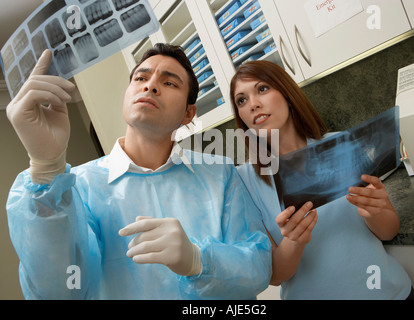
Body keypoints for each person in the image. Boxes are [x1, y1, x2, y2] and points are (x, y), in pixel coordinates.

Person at [6, 43, 272, 299]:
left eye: (169, 83)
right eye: (140, 78)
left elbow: (259, 268)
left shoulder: (220, 174)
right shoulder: (80, 187)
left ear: (188, 114)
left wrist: (198, 260)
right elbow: (61, 291)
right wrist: (45, 166)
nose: (150, 85)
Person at [230, 60, 414, 299]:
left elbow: (389, 230)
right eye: (241, 100)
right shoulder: (243, 181)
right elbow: (275, 276)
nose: (253, 104)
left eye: (262, 89)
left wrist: (375, 211)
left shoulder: (340, 144)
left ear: (286, 93)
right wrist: (294, 240)